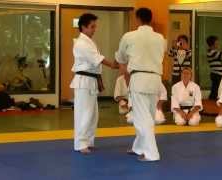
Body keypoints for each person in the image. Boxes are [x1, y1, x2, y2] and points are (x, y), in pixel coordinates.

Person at [115, 7, 166, 162]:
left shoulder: (129, 36)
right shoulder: (160, 38)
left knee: (142, 118)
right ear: (150, 19)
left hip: (139, 78)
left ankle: (152, 154)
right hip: (155, 79)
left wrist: (123, 61)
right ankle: (139, 147)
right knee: (146, 115)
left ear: (137, 19)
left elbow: (120, 57)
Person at [70, 13, 118, 154]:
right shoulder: (81, 43)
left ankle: (88, 141)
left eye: (95, 26)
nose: (94, 29)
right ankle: (80, 144)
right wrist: (113, 65)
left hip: (91, 80)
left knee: (92, 114)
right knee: (83, 113)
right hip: (84, 81)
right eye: (92, 26)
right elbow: (96, 58)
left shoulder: (89, 41)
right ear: (83, 27)